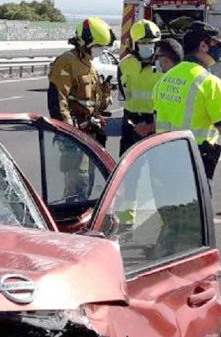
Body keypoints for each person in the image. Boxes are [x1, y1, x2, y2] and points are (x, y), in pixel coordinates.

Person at [139, 21, 221, 184]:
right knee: (194, 209)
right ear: (203, 46)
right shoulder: (209, 82)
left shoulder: (165, 79)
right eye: (216, 45)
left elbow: (160, 119)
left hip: (164, 160)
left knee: (170, 208)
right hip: (193, 162)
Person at [49, 17, 116, 200]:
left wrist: (105, 93)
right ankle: (72, 222)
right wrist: (67, 132)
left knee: (91, 182)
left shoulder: (88, 64)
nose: (101, 50)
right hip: (75, 136)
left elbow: (90, 100)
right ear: (85, 42)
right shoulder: (67, 62)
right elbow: (58, 99)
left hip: (90, 134)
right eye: (98, 46)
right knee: (78, 184)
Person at [119, 20, 163, 155]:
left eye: (151, 43)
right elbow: (122, 92)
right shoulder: (125, 64)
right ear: (134, 44)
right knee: (126, 163)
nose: (148, 46)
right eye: (143, 43)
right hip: (130, 120)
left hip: (154, 121)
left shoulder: (163, 65)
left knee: (155, 164)